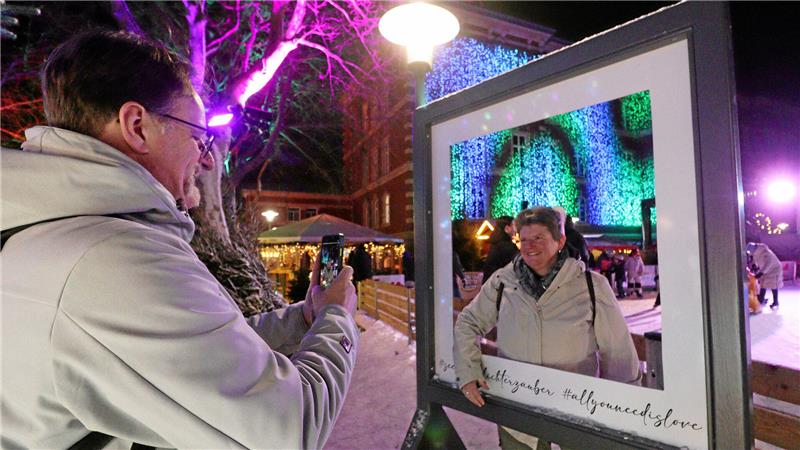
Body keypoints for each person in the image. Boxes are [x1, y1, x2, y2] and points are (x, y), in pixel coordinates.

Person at [0, 30, 358, 449]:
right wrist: (338, 321)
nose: (207, 159)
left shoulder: (58, 233)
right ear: (138, 127)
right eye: (198, 137)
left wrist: (303, 319)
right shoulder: (117, 257)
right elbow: (288, 430)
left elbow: (195, 353)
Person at [454, 207, 640, 449]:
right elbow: (468, 322)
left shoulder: (591, 286)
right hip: (518, 411)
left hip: (576, 412)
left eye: (539, 237)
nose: (530, 246)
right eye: (524, 239)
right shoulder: (502, 282)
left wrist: (622, 408)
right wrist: (468, 372)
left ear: (560, 240)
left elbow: (618, 352)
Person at [482, 215, 519, 283]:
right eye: (514, 225)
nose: (516, 229)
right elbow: (518, 266)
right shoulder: (506, 248)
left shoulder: (496, 245)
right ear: (507, 229)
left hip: (490, 287)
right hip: (499, 288)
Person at [748, 242, 783, 309]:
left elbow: (769, 263)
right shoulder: (756, 252)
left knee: (773, 285)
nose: (751, 254)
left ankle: (775, 302)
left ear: (754, 250)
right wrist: (755, 265)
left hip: (774, 269)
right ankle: (761, 299)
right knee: (763, 283)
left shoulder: (766, 253)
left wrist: (761, 273)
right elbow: (756, 259)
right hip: (765, 269)